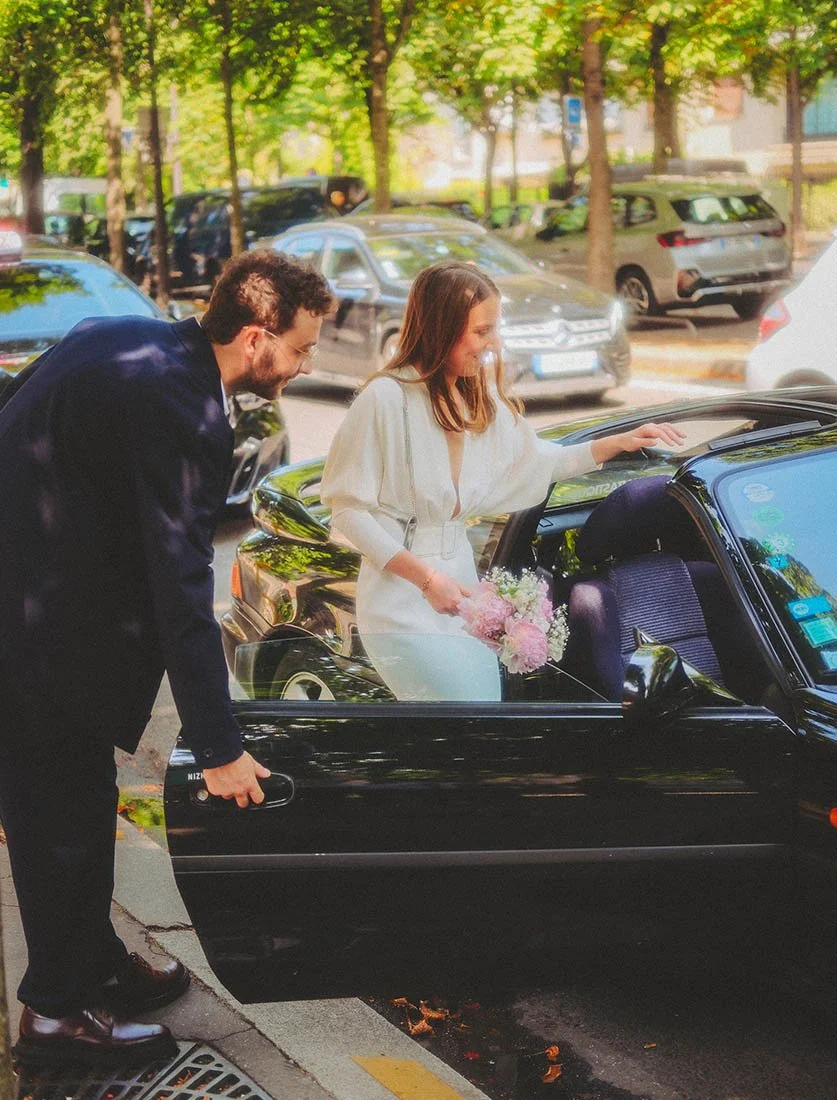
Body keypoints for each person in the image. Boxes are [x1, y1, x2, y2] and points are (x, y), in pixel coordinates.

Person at [0, 250, 333, 1067]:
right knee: (60, 825)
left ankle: (92, 962)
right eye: (300, 348)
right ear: (257, 338)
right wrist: (218, 747)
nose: (302, 364)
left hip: (36, 606)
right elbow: (183, 587)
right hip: (37, 639)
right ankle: (53, 1015)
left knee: (74, 811)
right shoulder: (184, 409)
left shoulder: (116, 334)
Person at [321, 260, 683, 701]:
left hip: (461, 592)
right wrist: (426, 580)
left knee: (482, 719)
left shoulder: (478, 398)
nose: (493, 344)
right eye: (481, 331)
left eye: (494, 330)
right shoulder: (384, 400)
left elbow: (540, 463)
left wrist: (617, 443)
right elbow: (349, 513)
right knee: (468, 718)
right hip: (398, 599)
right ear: (440, 329)